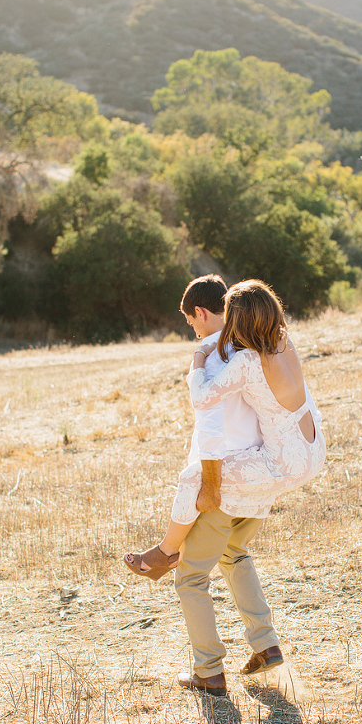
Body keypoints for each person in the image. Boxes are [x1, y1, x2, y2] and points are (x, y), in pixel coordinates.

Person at [123, 278, 326, 695]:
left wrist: (198, 356)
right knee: (234, 553)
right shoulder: (283, 342)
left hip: (277, 465)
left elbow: (204, 402)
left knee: (194, 492)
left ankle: (167, 555)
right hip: (311, 448)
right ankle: (266, 646)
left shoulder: (241, 360)